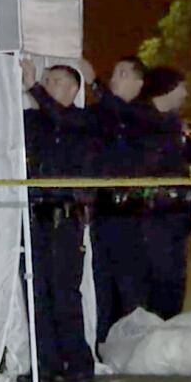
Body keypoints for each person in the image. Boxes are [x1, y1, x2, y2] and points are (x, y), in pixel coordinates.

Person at [21, 59, 100, 382]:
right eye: (46, 81)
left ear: (71, 89)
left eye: (53, 81)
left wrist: (33, 88)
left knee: (65, 292)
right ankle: (47, 363)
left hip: (65, 218)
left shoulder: (81, 121)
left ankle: (78, 363)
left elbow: (61, 119)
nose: (46, 85)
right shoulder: (35, 121)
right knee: (36, 291)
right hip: (36, 216)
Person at [80, 55, 157, 344]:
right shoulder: (104, 113)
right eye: (113, 73)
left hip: (132, 213)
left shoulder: (143, 114)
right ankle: (104, 342)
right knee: (102, 280)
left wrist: (95, 83)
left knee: (129, 282)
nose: (115, 79)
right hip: (103, 209)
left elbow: (123, 115)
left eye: (122, 74)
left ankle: (134, 342)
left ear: (139, 82)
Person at [137, 66, 191, 320]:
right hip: (151, 217)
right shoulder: (141, 123)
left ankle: (167, 339)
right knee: (157, 282)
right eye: (181, 86)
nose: (185, 93)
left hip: (178, 217)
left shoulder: (176, 126)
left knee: (174, 284)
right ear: (166, 88)